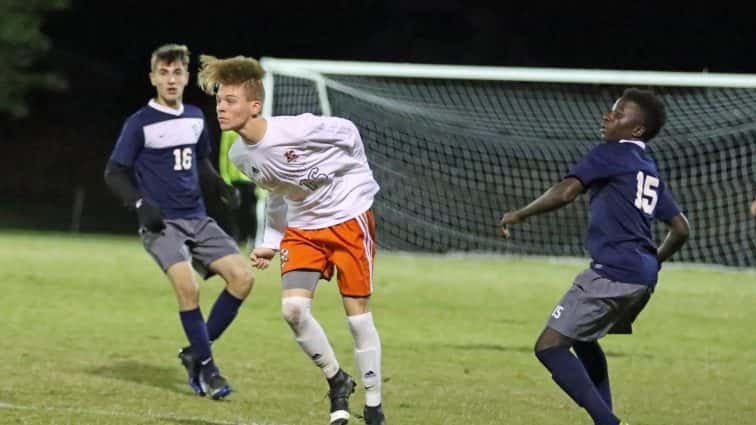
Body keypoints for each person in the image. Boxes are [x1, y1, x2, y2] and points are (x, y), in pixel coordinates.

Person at [197, 54, 387, 425]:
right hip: (303, 230)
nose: (221, 107)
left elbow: (348, 130)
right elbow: (279, 193)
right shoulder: (239, 154)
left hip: (348, 219)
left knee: (357, 319)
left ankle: (374, 406)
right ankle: (337, 380)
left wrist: (353, 179)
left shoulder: (296, 129)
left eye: (230, 101)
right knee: (293, 311)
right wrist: (271, 238)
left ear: (254, 107)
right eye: (219, 100)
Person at [500, 88, 690, 425]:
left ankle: (608, 423)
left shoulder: (612, 153)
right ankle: (606, 417)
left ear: (637, 130)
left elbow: (566, 191)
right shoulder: (647, 167)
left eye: (618, 114)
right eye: (610, 111)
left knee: (549, 347)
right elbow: (681, 229)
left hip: (612, 273)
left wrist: (520, 213)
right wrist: (654, 261)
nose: (608, 117)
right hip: (641, 278)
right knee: (584, 339)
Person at [103, 44, 254, 400]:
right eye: (164, 73)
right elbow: (115, 172)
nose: (171, 79)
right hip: (162, 224)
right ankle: (209, 369)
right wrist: (140, 203)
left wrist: (219, 185)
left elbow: (200, 161)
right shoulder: (139, 123)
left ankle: (194, 353)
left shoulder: (196, 117)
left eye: (177, 73)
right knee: (189, 288)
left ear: (186, 77)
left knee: (242, 279)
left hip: (197, 218)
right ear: (153, 78)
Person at [217, 130, 258, 247]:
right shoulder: (229, 132)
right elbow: (224, 154)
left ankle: (252, 239)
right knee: (234, 210)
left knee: (251, 211)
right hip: (234, 179)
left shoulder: (253, 128)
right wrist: (225, 178)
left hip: (251, 179)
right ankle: (237, 239)